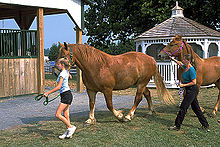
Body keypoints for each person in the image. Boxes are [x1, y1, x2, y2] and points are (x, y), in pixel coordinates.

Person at [168, 54, 209, 131]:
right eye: (183, 59)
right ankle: (205, 124)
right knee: (196, 108)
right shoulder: (185, 67)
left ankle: (177, 126)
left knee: (183, 107)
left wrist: (183, 85)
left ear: (188, 61)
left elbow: (194, 82)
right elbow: (179, 63)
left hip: (193, 89)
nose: (183, 60)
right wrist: (172, 59)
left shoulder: (191, 69)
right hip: (189, 89)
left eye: (184, 59)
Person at [43, 58, 76, 139]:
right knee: (65, 114)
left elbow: (58, 87)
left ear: (63, 65)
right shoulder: (66, 72)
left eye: (59, 64)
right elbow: (70, 76)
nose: (58, 66)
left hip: (66, 95)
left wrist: (48, 93)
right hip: (67, 94)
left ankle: (71, 127)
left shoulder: (62, 74)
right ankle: (68, 132)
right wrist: (68, 75)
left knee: (58, 114)